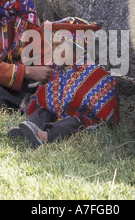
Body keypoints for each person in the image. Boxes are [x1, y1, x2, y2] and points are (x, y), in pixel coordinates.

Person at [9, 17, 121, 148]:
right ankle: (29, 127)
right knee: (43, 112)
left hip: (81, 117)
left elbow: (104, 101)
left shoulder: (94, 73)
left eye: (60, 47)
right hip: (59, 112)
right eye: (54, 46)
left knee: (72, 123)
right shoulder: (58, 71)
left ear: (78, 49)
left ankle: (44, 136)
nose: (55, 52)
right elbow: (48, 94)